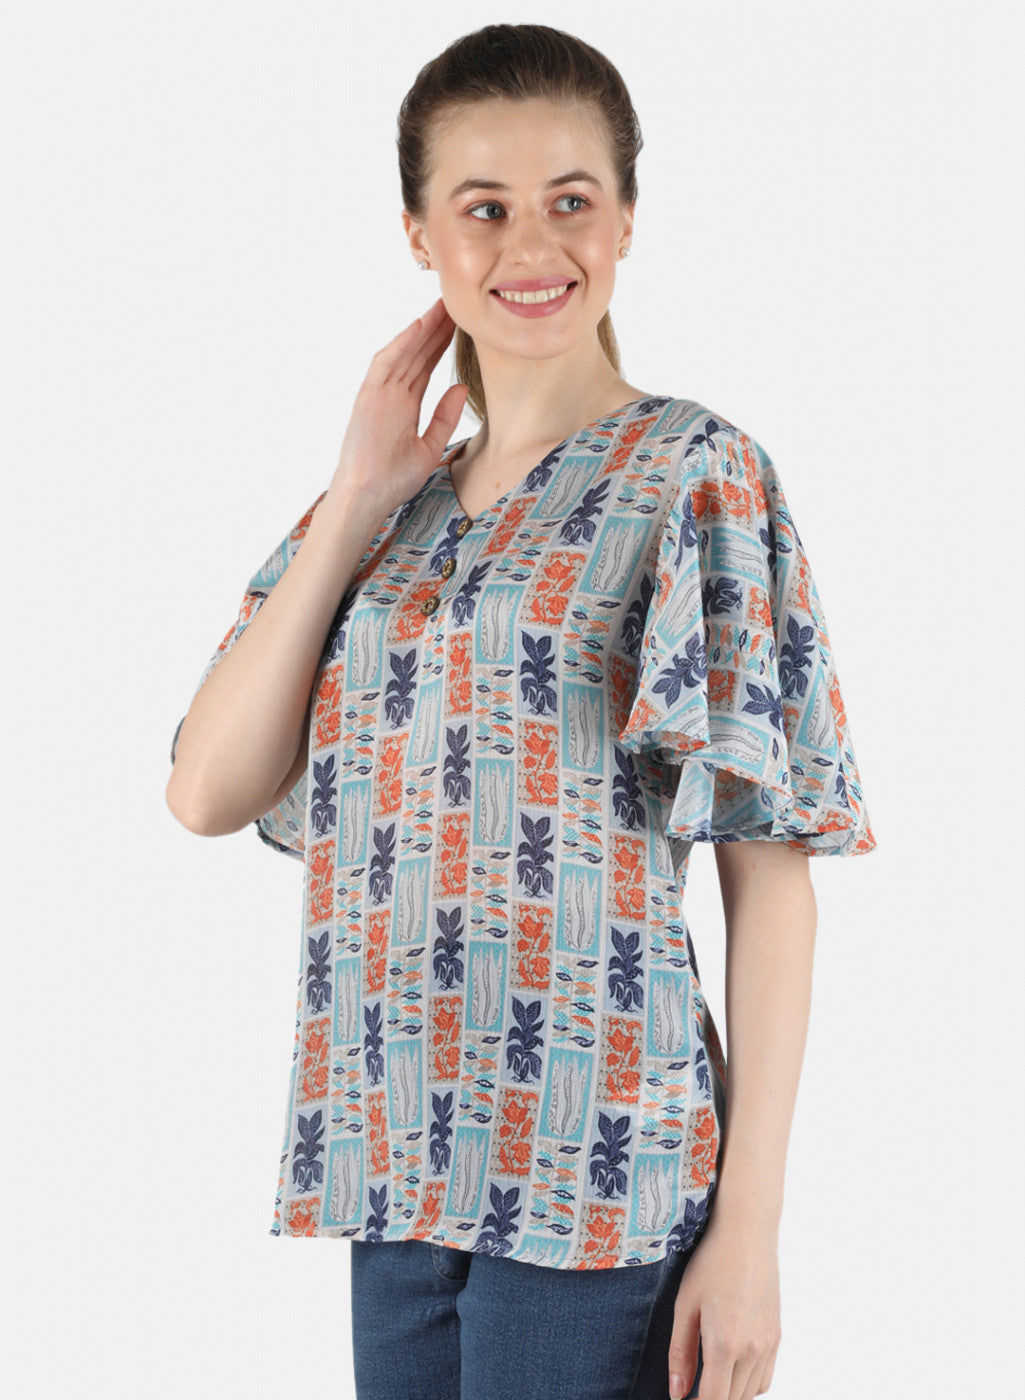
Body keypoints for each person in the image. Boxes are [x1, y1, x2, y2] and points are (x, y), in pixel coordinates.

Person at [166, 22, 875, 1400]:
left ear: (626, 220)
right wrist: (354, 496)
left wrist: (751, 1233)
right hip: (393, 1161)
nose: (532, 245)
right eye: (483, 207)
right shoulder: (383, 508)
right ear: (419, 235)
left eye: (571, 199)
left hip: (596, 1166)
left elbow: (770, 870)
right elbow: (206, 790)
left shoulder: (693, 473)